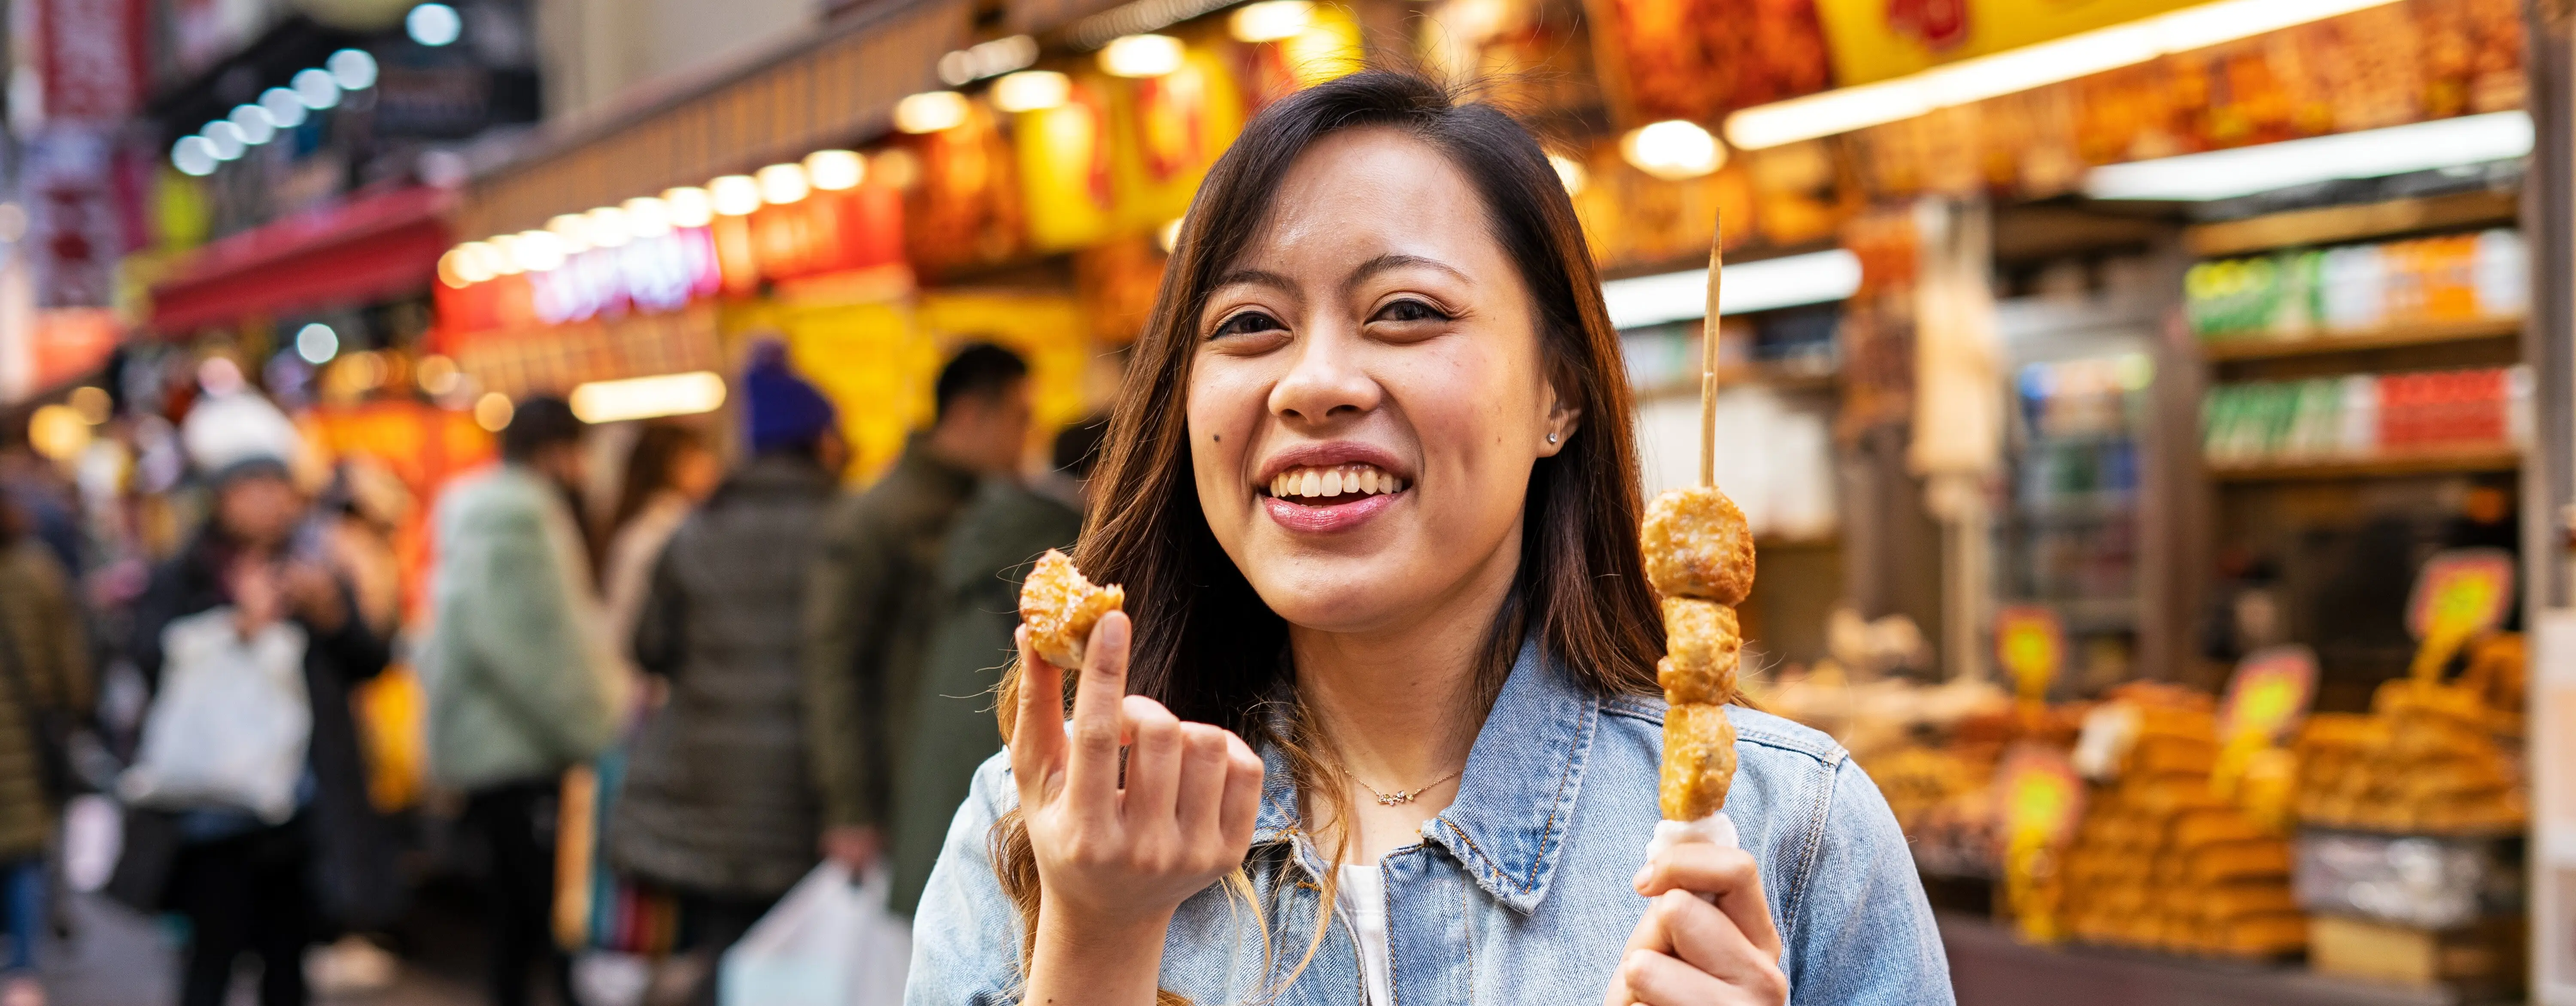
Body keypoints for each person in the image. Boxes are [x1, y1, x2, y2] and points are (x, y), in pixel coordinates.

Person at [908, 71, 1950, 1005]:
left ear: (1561, 392)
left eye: (1405, 310)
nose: (1315, 382)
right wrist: (1095, 942)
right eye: (1248, 323)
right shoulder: (1039, 823)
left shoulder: (1792, 829)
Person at [607, 348, 845, 1004]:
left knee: (724, 950)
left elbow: (648, 646)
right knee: (802, 963)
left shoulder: (695, 533)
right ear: (820, 442)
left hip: (704, 791)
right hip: (808, 798)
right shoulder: (846, 531)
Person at [126, 458, 392, 1006]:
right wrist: (233, 628)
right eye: (253, 490)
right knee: (211, 958)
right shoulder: (185, 574)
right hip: (213, 806)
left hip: (301, 803)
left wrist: (335, 615)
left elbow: (373, 661)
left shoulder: (315, 571)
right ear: (222, 499)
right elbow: (148, 657)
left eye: (279, 490)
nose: (269, 504)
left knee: (289, 961)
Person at [803, 342, 1031, 877]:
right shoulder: (876, 518)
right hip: (902, 794)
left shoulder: (995, 513)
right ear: (972, 413)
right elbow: (833, 662)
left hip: (968, 784)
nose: (1029, 439)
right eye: (1020, 419)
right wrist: (851, 808)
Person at [423, 397, 623, 1006]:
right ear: (558, 451)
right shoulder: (519, 516)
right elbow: (530, 647)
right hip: (521, 747)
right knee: (544, 918)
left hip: (490, 743)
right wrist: (595, 724)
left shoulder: (478, 508)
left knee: (513, 920)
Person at [888, 416, 1106, 917]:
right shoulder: (1061, 553)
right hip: (999, 801)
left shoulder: (990, 526)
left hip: (948, 795)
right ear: (1103, 470)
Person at [0, 497, 88, 1006]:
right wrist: (75, 708)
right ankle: (23, 974)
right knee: (24, 854)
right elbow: (68, 657)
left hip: (22, 733)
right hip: (26, 737)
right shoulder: (37, 570)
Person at [598, 421, 720, 670]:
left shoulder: (641, 526)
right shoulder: (670, 531)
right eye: (699, 456)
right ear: (674, 465)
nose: (712, 466)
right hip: (655, 681)